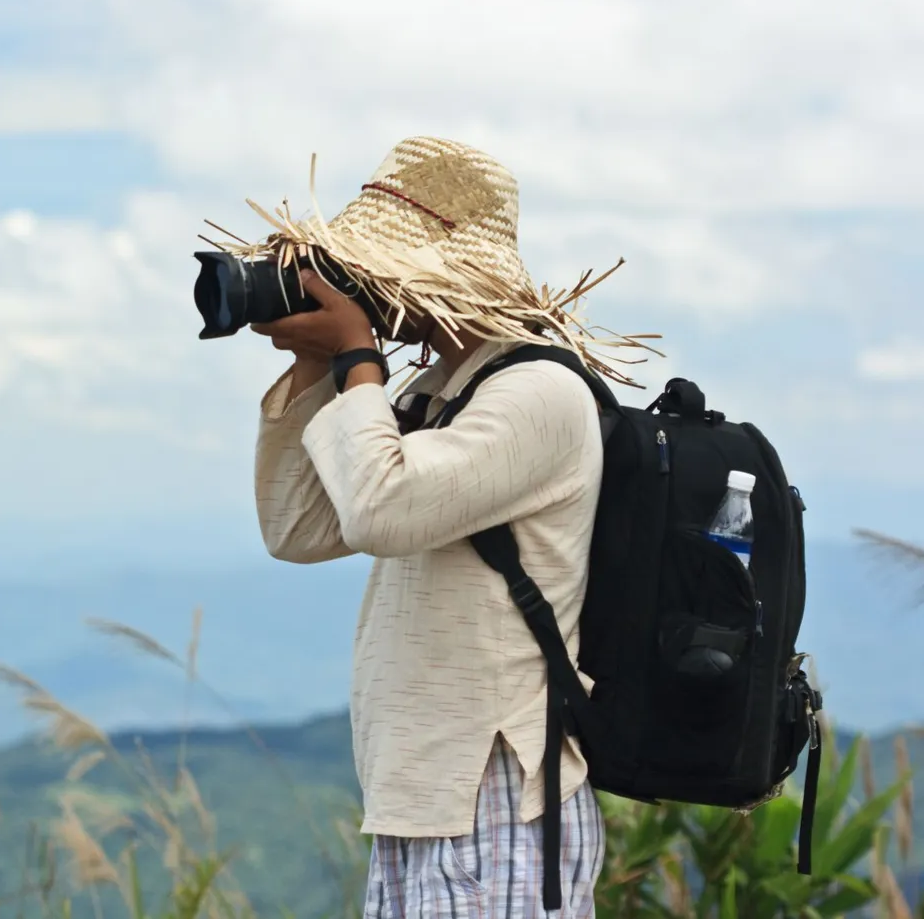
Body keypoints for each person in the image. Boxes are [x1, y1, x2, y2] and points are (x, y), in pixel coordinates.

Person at [236, 137, 654, 917]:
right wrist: (312, 370)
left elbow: (379, 509)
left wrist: (357, 357)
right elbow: (297, 526)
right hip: (423, 798)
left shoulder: (537, 392)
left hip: (491, 797)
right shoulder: (441, 388)